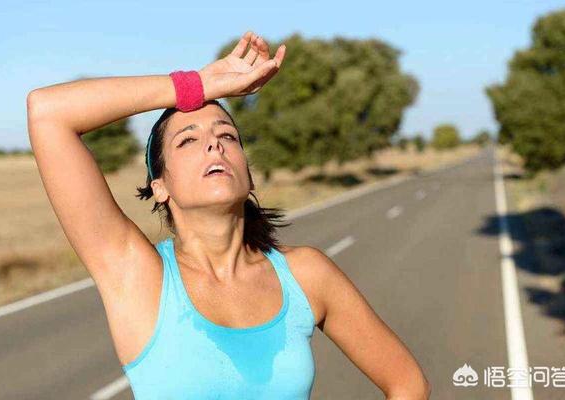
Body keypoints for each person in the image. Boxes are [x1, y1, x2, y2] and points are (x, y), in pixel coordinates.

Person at [26, 30, 431, 400]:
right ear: (159, 186)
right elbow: (48, 112)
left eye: (227, 135)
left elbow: (408, 383)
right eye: (188, 140)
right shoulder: (139, 276)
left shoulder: (306, 275)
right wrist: (196, 86)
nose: (214, 145)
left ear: (249, 175)